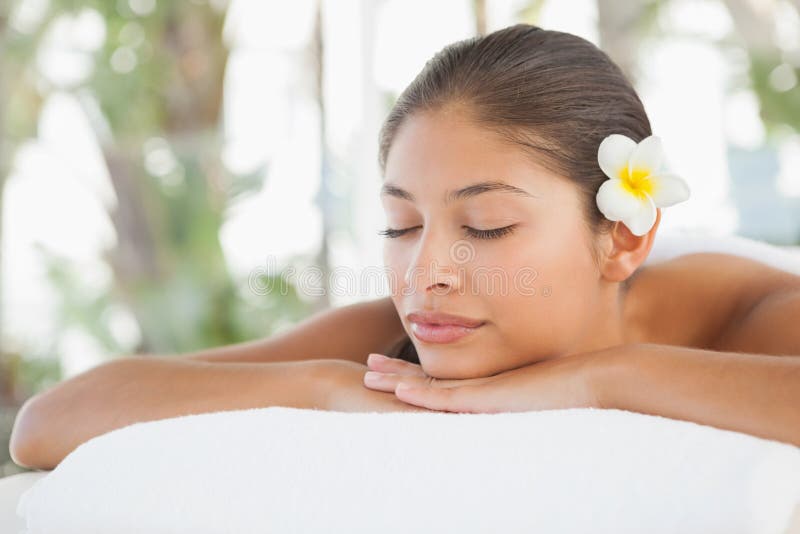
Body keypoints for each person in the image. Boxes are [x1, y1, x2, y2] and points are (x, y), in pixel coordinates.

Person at [9, 24, 800, 471]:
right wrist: (325, 387)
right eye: (401, 225)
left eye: (485, 226)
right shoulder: (394, 348)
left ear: (623, 236)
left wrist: (605, 378)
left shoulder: (754, 316)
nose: (426, 275)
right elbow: (47, 422)